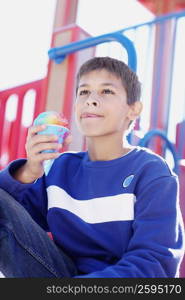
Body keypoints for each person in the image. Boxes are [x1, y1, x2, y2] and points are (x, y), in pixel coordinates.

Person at [0, 56, 184, 278]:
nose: (91, 100)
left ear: (133, 110)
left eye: (106, 91)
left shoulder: (152, 171)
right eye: (84, 92)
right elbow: (11, 222)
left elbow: (154, 263)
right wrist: (29, 171)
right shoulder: (61, 168)